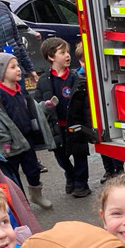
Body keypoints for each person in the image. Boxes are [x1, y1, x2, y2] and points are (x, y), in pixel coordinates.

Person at [0, 53, 58, 210]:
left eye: (17, 65)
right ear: (1, 72)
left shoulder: (21, 91)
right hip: (8, 143)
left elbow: (33, 109)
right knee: (12, 174)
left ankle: (36, 195)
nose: (18, 69)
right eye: (13, 67)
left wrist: (45, 106)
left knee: (33, 169)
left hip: (26, 138)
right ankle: (21, 202)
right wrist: (5, 140)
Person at [36, 37, 91, 197]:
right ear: (51, 57)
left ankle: (81, 185)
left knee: (80, 155)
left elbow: (86, 104)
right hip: (56, 127)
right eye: (62, 52)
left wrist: (88, 126)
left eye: (68, 52)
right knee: (61, 156)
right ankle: (70, 175)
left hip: (75, 124)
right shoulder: (44, 81)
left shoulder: (76, 78)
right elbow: (39, 105)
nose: (68, 55)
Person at [69, 37, 125, 183]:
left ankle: (119, 169)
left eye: (87, 60)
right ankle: (109, 170)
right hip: (92, 118)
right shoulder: (79, 78)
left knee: (113, 143)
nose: (84, 64)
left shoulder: (102, 75)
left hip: (107, 115)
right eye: (82, 61)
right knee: (100, 145)